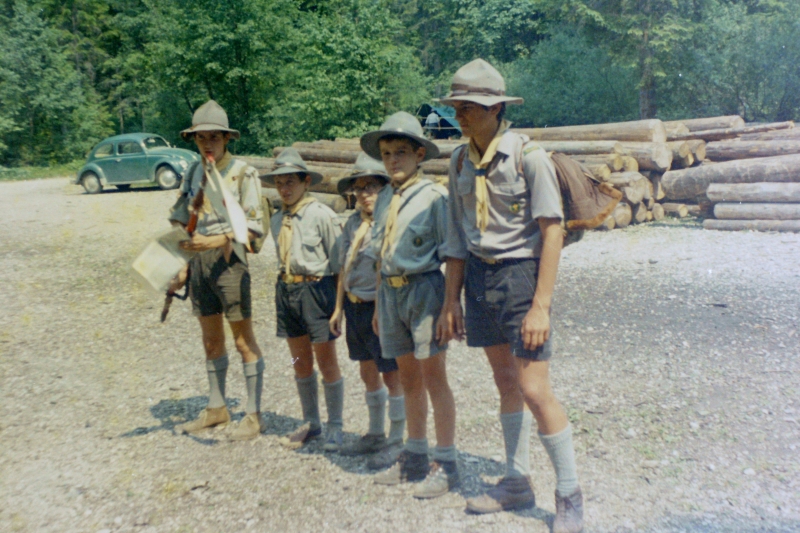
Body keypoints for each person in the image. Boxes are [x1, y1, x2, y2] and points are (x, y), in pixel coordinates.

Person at [435, 59, 584, 533]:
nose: (461, 114)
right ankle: (517, 481)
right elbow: (458, 240)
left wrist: (541, 305)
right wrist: (449, 301)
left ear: (497, 108)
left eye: (471, 107)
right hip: (479, 277)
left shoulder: (529, 158)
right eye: (456, 106)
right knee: (504, 382)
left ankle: (569, 494)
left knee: (535, 389)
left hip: (521, 277)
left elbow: (553, 232)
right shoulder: (458, 161)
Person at [361, 111, 458, 499]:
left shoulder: (435, 197)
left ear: (420, 154)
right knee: (407, 378)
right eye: (386, 154)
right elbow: (380, 255)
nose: (393, 160)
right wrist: (377, 309)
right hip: (391, 294)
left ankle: (446, 462)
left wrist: (451, 306)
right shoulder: (384, 197)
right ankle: (415, 455)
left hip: (424, 292)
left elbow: (452, 254)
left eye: (401, 152)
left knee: (434, 377)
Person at [169, 99, 267, 441]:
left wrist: (212, 243)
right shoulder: (194, 172)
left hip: (229, 261)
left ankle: (253, 416)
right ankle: (216, 407)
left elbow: (255, 229)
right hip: (199, 263)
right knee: (211, 341)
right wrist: (180, 265)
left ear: (227, 139)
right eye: (201, 138)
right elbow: (181, 220)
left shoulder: (243, 173)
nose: (207, 143)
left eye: (214, 137)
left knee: (242, 341)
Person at [261, 148, 345, 452]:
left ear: (305, 181)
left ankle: (335, 426)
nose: (285, 189)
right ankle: (311, 421)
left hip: (317, 292)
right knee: (299, 361)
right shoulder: (276, 219)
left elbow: (340, 265)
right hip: (287, 292)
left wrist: (338, 308)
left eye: (290, 182)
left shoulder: (321, 215)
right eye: (279, 183)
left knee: (326, 362)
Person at [329, 153, 405, 460]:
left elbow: (384, 270)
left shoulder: (388, 222)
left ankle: (397, 438)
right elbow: (343, 269)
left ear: (384, 189)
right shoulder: (351, 224)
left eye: (371, 187)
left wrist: (379, 312)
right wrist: (338, 308)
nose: (364, 194)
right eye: (358, 189)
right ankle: (375, 433)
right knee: (367, 370)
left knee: (392, 373)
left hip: (380, 307)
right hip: (354, 305)